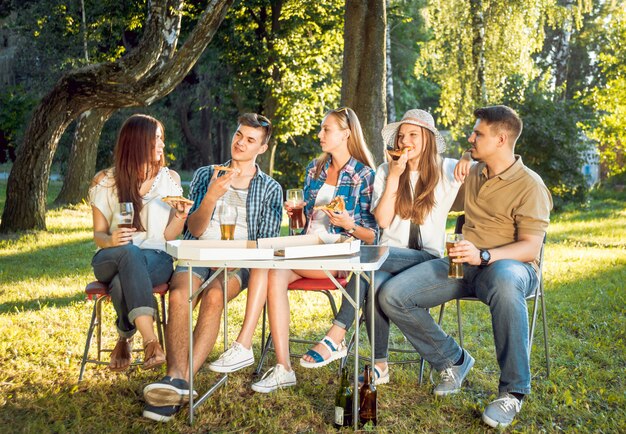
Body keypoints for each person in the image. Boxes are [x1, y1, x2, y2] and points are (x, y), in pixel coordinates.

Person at [379, 105, 552, 428]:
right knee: (392, 295)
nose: (470, 138)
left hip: (509, 268)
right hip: (462, 264)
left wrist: (485, 256)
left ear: (501, 139)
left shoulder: (530, 185)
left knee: (503, 278)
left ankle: (512, 392)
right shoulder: (471, 173)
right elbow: (430, 183)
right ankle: (452, 360)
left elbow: (530, 247)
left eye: (478, 134)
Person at [299, 109, 472, 385]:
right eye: (401, 136)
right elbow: (382, 220)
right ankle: (380, 365)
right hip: (387, 257)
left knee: (368, 258)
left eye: (413, 135)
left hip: (427, 259)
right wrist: (395, 176)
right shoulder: (383, 171)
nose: (405, 141)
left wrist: (468, 156)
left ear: (427, 139)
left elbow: (484, 167)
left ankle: (336, 335)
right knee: (375, 279)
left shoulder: (447, 169)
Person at [142, 113, 283, 422]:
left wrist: (235, 256)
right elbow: (192, 225)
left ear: (262, 147)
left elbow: (267, 244)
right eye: (238, 135)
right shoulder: (208, 174)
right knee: (180, 295)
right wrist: (211, 195)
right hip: (197, 253)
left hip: (239, 261)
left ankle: (177, 381)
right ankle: (178, 380)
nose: (240, 143)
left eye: (250, 140)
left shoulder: (271, 188)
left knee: (215, 296)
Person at [250, 107, 378, 393]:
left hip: (339, 256)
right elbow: (303, 225)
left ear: (346, 134)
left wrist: (349, 224)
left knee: (274, 266)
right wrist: (294, 214)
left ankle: (249, 348)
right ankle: (284, 367)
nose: (320, 134)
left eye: (326, 129)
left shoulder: (363, 175)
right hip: (305, 250)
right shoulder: (315, 169)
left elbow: (373, 236)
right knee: (273, 274)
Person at [89, 114, 190, 373]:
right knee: (129, 254)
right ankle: (151, 341)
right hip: (111, 256)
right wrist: (110, 239)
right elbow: (98, 235)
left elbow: (169, 237)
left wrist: (180, 216)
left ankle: (125, 337)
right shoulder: (105, 180)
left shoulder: (170, 179)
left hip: (156, 258)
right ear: (136, 141)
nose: (162, 145)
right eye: (156, 138)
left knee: (124, 280)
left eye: (161, 139)